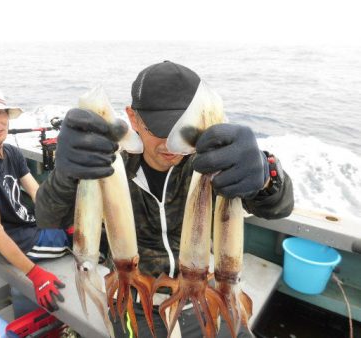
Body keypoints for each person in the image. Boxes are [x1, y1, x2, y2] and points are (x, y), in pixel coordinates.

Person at [35, 61, 294, 337]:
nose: (171, 145)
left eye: (184, 131)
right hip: (133, 303)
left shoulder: (210, 163)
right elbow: (49, 216)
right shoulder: (107, 166)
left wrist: (267, 174)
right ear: (133, 119)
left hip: (207, 297)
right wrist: (65, 176)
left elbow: (278, 206)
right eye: (161, 129)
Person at [0, 84, 71, 313]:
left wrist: (62, 221)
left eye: (0, 113)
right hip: (14, 240)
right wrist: (36, 275)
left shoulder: (10, 151)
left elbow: (37, 193)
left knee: (73, 228)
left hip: (26, 224)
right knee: (78, 243)